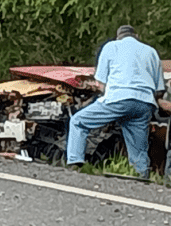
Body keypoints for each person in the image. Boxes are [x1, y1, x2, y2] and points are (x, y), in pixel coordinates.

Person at [66, 25, 164, 177]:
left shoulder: (111, 47)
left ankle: (75, 162)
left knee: (78, 121)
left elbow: (100, 83)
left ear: (118, 37)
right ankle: (142, 177)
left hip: (118, 98)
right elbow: (159, 89)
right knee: (138, 149)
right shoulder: (151, 51)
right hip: (144, 103)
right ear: (136, 36)